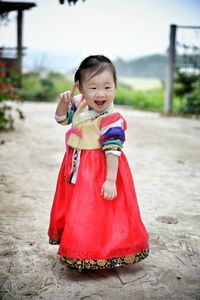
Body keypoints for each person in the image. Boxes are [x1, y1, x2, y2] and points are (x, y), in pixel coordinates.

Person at [48, 55, 149, 271]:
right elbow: (61, 120)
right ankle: (77, 247)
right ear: (80, 88)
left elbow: (113, 150)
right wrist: (63, 102)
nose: (100, 93)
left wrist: (111, 180)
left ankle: (97, 251)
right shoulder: (80, 105)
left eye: (107, 87)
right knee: (78, 208)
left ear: (115, 87)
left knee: (94, 210)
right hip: (76, 165)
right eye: (93, 87)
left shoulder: (112, 118)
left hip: (99, 169)